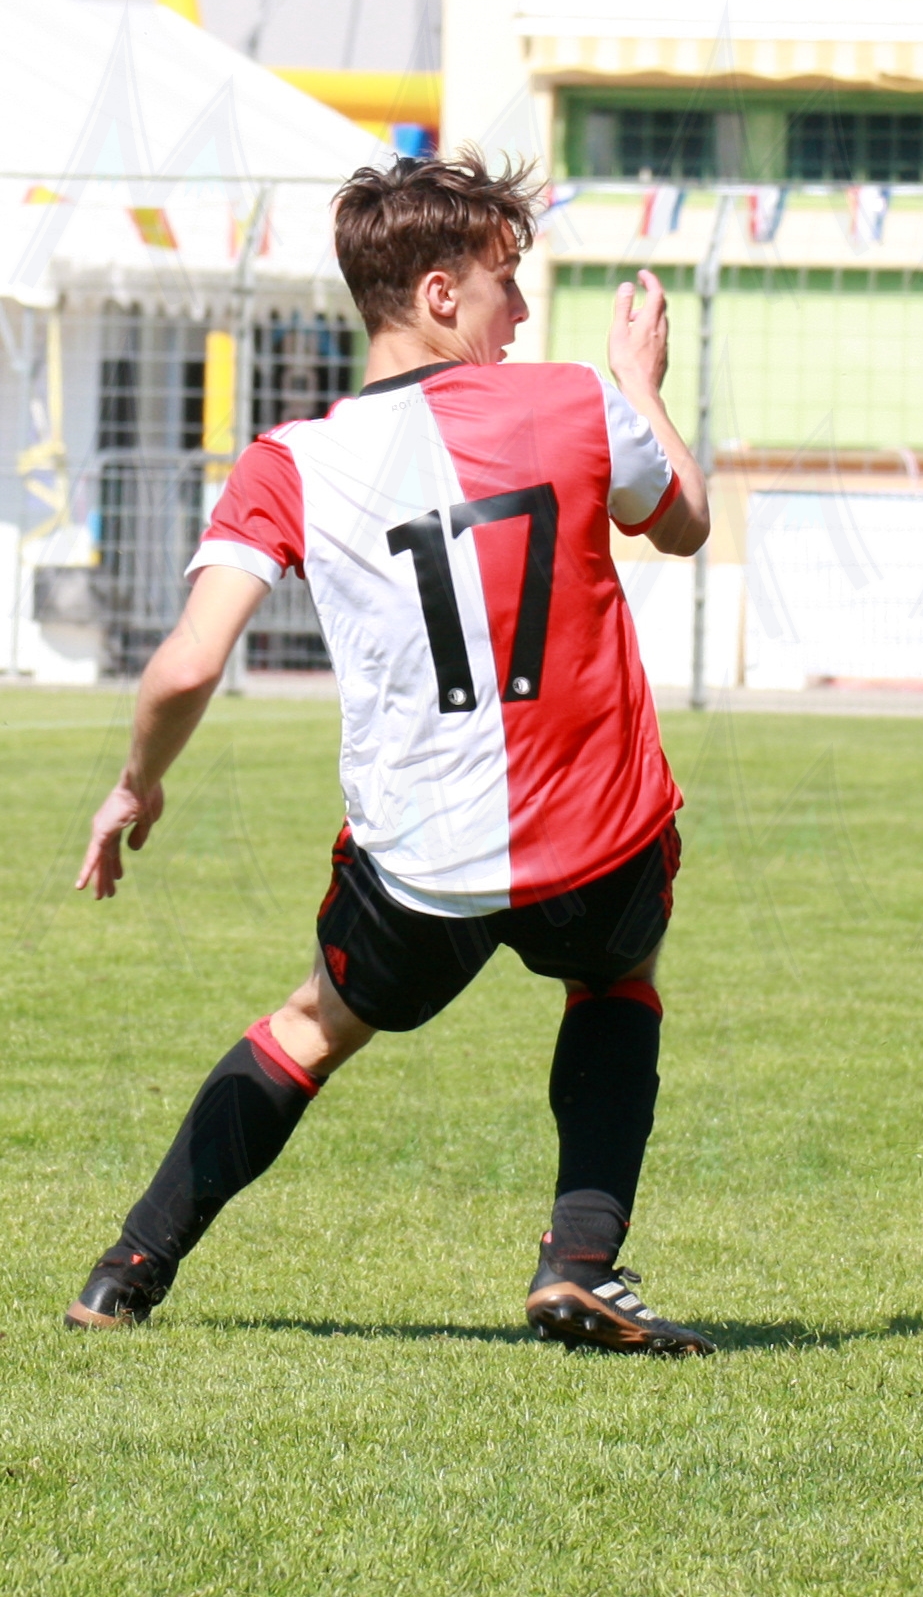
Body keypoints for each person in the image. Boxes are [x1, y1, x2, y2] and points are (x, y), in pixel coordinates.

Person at [66, 151, 718, 1355]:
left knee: (311, 1028)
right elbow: (683, 519)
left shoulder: (287, 462)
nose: (519, 313)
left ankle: (125, 1271)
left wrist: (134, 784)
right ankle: (578, 1261)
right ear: (436, 293)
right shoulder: (579, 399)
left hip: (417, 861)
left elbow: (185, 665)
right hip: (595, 842)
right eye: (504, 283)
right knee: (616, 980)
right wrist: (642, 382)